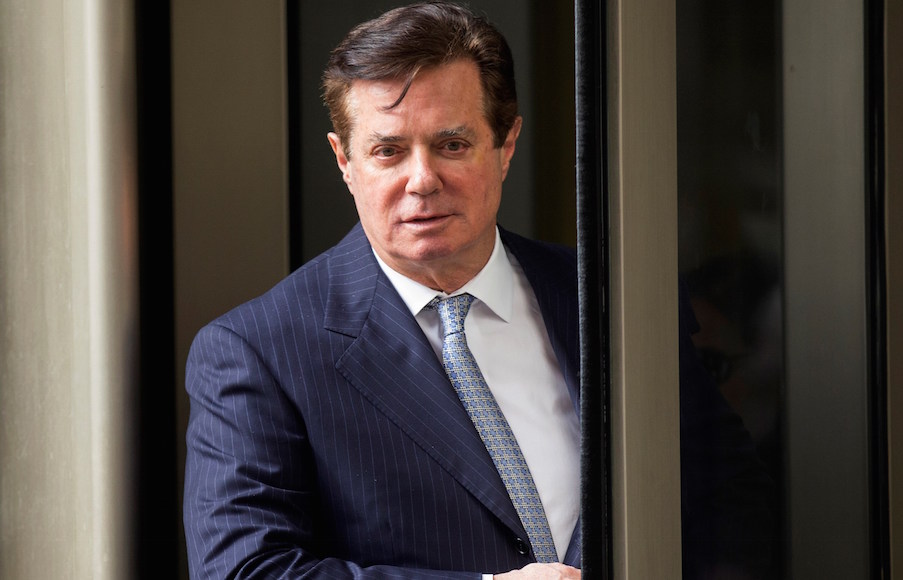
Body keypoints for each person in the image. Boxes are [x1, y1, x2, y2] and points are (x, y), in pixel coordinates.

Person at [184, 2, 771, 579]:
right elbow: (246, 570)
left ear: (506, 146)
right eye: (388, 151)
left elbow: (730, 507)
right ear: (345, 161)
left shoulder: (615, 300)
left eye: (452, 145)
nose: (421, 180)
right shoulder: (258, 352)